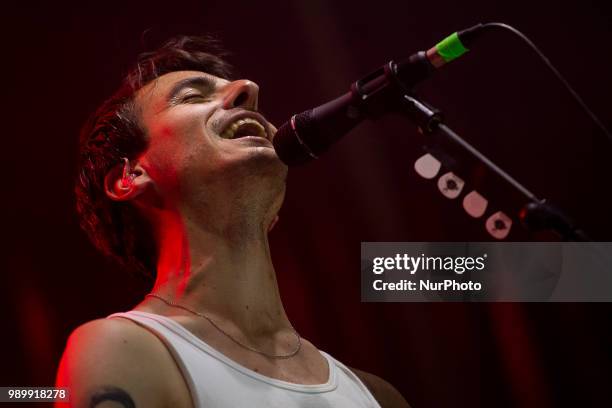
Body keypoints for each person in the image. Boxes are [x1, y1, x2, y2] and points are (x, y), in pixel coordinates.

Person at [56, 36, 410, 408]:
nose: (249, 90)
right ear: (130, 176)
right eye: (192, 96)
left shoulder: (378, 397)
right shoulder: (123, 350)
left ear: (274, 214)